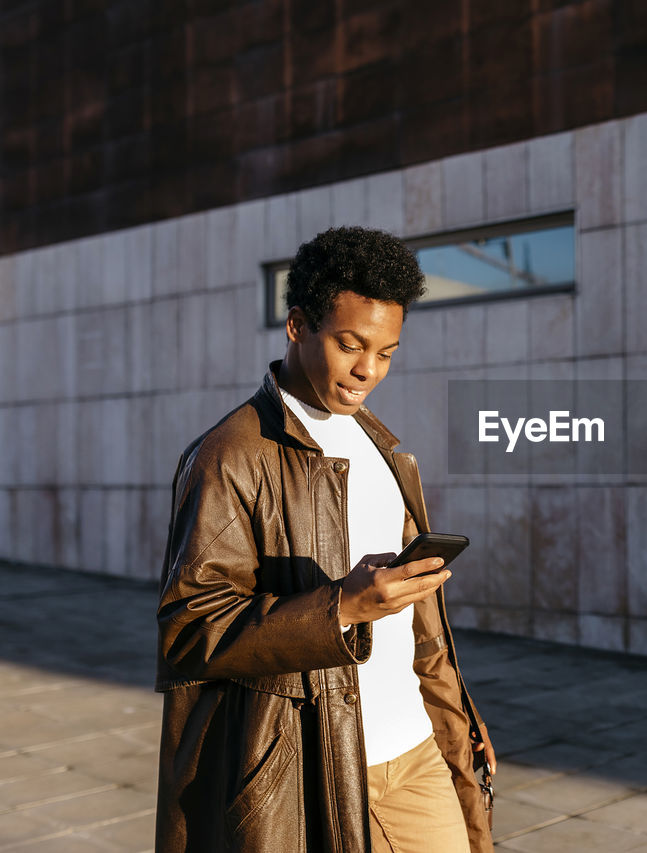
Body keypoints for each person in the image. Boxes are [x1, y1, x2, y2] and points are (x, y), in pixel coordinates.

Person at [154, 226, 495, 852]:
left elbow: (419, 626)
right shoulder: (230, 455)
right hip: (314, 761)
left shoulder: (382, 445)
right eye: (349, 345)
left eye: (386, 353)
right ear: (297, 326)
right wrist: (339, 608)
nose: (367, 369)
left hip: (414, 748)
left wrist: (456, 717)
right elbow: (187, 628)